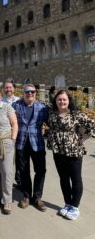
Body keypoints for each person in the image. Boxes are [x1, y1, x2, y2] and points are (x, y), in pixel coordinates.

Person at [47, 89, 95, 220]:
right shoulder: (52, 113)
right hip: (58, 151)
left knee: (76, 179)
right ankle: (67, 203)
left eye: (64, 99)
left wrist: (82, 138)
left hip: (74, 151)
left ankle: (75, 206)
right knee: (63, 178)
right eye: (59, 99)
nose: (62, 101)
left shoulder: (76, 114)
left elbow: (92, 125)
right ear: (55, 101)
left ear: (69, 101)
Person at [13, 84, 48, 212]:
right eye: (27, 92)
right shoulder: (16, 105)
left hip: (37, 143)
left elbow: (51, 123)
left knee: (41, 170)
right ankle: (26, 196)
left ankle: (37, 197)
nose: (30, 94)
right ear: (23, 93)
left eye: (32, 92)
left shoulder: (42, 108)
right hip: (21, 143)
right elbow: (10, 122)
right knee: (23, 170)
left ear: (35, 93)